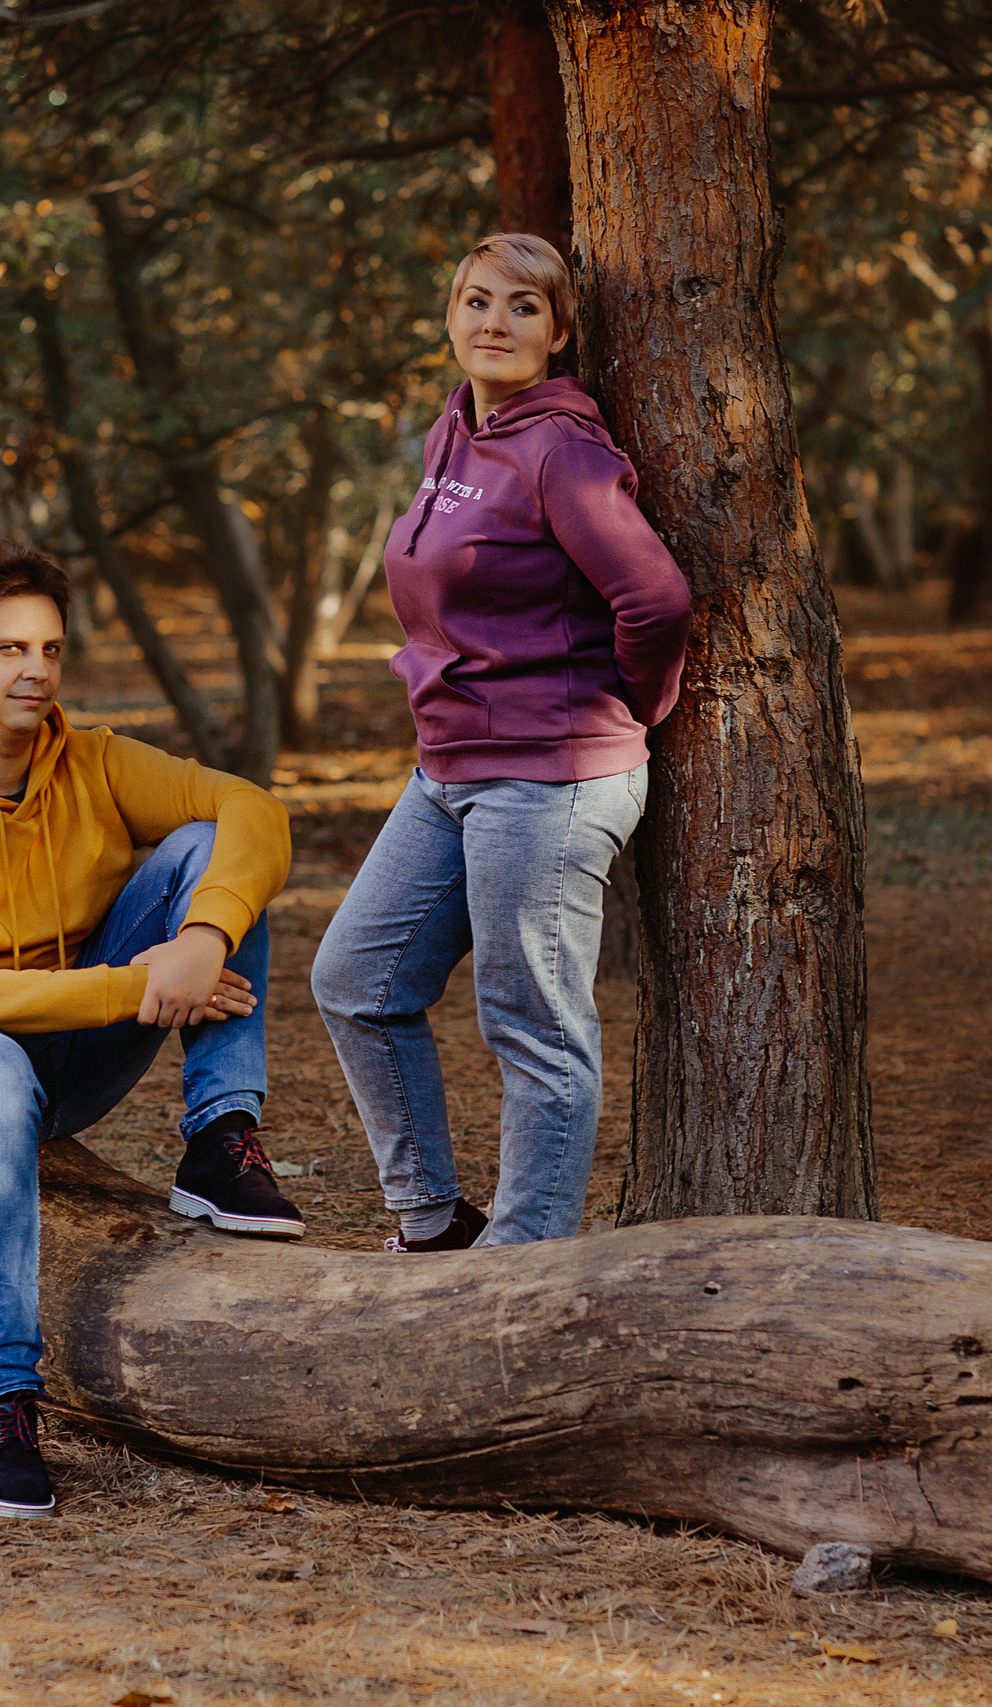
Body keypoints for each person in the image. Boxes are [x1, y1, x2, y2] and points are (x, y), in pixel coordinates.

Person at [0, 538, 301, 1520]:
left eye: (49, 648)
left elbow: (251, 807)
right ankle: (1, 1404)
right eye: (9, 649)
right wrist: (134, 985)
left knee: (211, 850)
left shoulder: (86, 761)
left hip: (68, 1052)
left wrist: (203, 938)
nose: (37, 670)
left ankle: (220, 1134)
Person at [311, 232, 693, 1255]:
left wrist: (631, 711)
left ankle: (520, 1268)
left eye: (523, 308)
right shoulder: (453, 431)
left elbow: (653, 598)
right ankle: (432, 1223)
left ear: (559, 332)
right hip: (448, 767)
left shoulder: (559, 448)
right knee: (355, 980)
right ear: (449, 318)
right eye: (477, 301)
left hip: (548, 776)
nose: (494, 323)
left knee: (534, 1031)